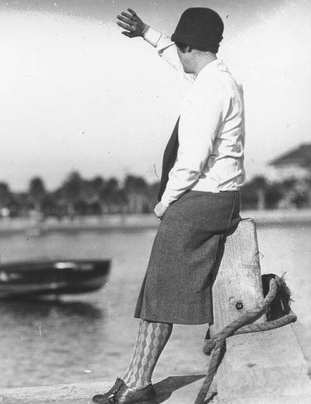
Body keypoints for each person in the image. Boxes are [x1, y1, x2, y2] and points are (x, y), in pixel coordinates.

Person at [92, 7, 245, 404]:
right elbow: (175, 57)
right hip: (216, 197)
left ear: (189, 46)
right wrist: (147, 33)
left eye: (179, 47)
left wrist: (165, 203)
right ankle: (133, 376)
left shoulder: (209, 89)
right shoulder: (216, 76)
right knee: (156, 287)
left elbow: (192, 159)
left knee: (159, 291)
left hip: (203, 198)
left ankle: (138, 384)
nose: (176, 55)